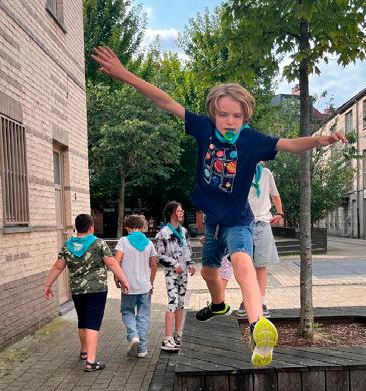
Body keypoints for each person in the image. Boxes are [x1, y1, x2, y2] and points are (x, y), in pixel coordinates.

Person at [91, 46, 346, 366]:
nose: (229, 121)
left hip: (239, 218)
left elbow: (291, 145)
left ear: (245, 117)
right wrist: (125, 75)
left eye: (236, 116)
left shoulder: (252, 140)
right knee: (210, 273)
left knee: (243, 263)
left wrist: (320, 140)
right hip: (213, 220)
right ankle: (217, 304)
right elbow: (165, 101)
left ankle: (257, 327)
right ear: (214, 114)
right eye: (223, 115)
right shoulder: (204, 128)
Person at [43, 214, 130, 372]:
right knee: (92, 323)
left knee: (83, 320)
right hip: (96, 290)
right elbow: (111, 262)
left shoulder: (67, 245)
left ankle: (84, 351)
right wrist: (124, 280)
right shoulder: (98, 243)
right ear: (91, 227)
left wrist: (47, 285)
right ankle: (91, 361)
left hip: (77, 290)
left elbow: (58, 266)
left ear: (76, 228)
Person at [236, 162, 283, 318]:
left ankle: (261, 302)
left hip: (263, 223)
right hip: (243, 224)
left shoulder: (266, 173)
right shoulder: (238, 171)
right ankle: (247, 300)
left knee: (261, 267)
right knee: (245, 267)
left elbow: (275, 194)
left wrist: (280, 213)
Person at [114, 214, 158, 358]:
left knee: (127, 311)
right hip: (144, 286)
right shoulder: (149, 243)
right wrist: (151, 283)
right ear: (141, 227)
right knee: (143, 316)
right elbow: (154, 265)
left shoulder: (123, 241)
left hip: (128, 285)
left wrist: (116, 277)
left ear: (127, 227)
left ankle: (133, 335)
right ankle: (142, 349)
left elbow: (116, 261)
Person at [156, 201, 196, 351]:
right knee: (172, 301)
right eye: (179, 211)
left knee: (181, 302)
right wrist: (174, 263)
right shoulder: (164, 233)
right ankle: (167, 338)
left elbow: (188, 249)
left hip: (183, 272)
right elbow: (159, 255)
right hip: (171, 272)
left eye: (182, 211)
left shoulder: (184, 231)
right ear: (170, 213)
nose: (181, 213)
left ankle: (177, 333)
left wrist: (190, 263)